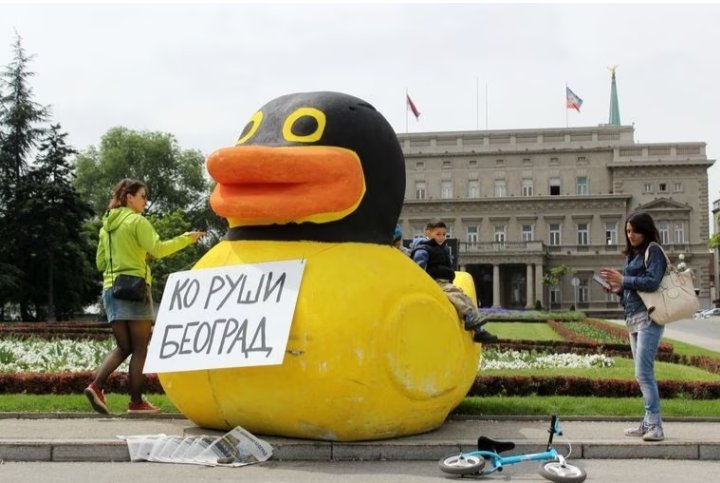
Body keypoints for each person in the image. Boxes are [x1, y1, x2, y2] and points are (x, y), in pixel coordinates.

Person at [86, 179, 206, 414]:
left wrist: (127, 255)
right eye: (142, 196)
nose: (146, 202)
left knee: (124, 346)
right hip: (134, 289)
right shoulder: (136, 221)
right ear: (129, 197)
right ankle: (136, 402)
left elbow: (101, 262)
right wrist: (187, 238)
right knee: (141, 347)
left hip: (110, 289)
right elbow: (159, 249)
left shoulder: (105, 227)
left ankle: (96, 386)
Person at [600, 212, 667, 442]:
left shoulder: (653, 251)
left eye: (635, 231)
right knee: (641, 375)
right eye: (628, 231)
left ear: (646, 231)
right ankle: (647, 422)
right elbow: (633, 289)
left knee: (644, 373)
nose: (631, 235)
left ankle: (655, 426)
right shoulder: (632, 256)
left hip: (649, 318)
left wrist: (623, 280)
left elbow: (652, 281)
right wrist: (618, 289)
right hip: (633, 319)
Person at [411, 219, 498, 344]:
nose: (441, 237)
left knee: (465, 298)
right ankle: (471, 319)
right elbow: (419, 270)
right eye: (438, 234)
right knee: (456, 295)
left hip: (446, 282)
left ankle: (478, 331)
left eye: (444, 234)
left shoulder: (442, 249)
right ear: (428, 233)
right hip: (436, 282)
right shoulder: (423, 249)